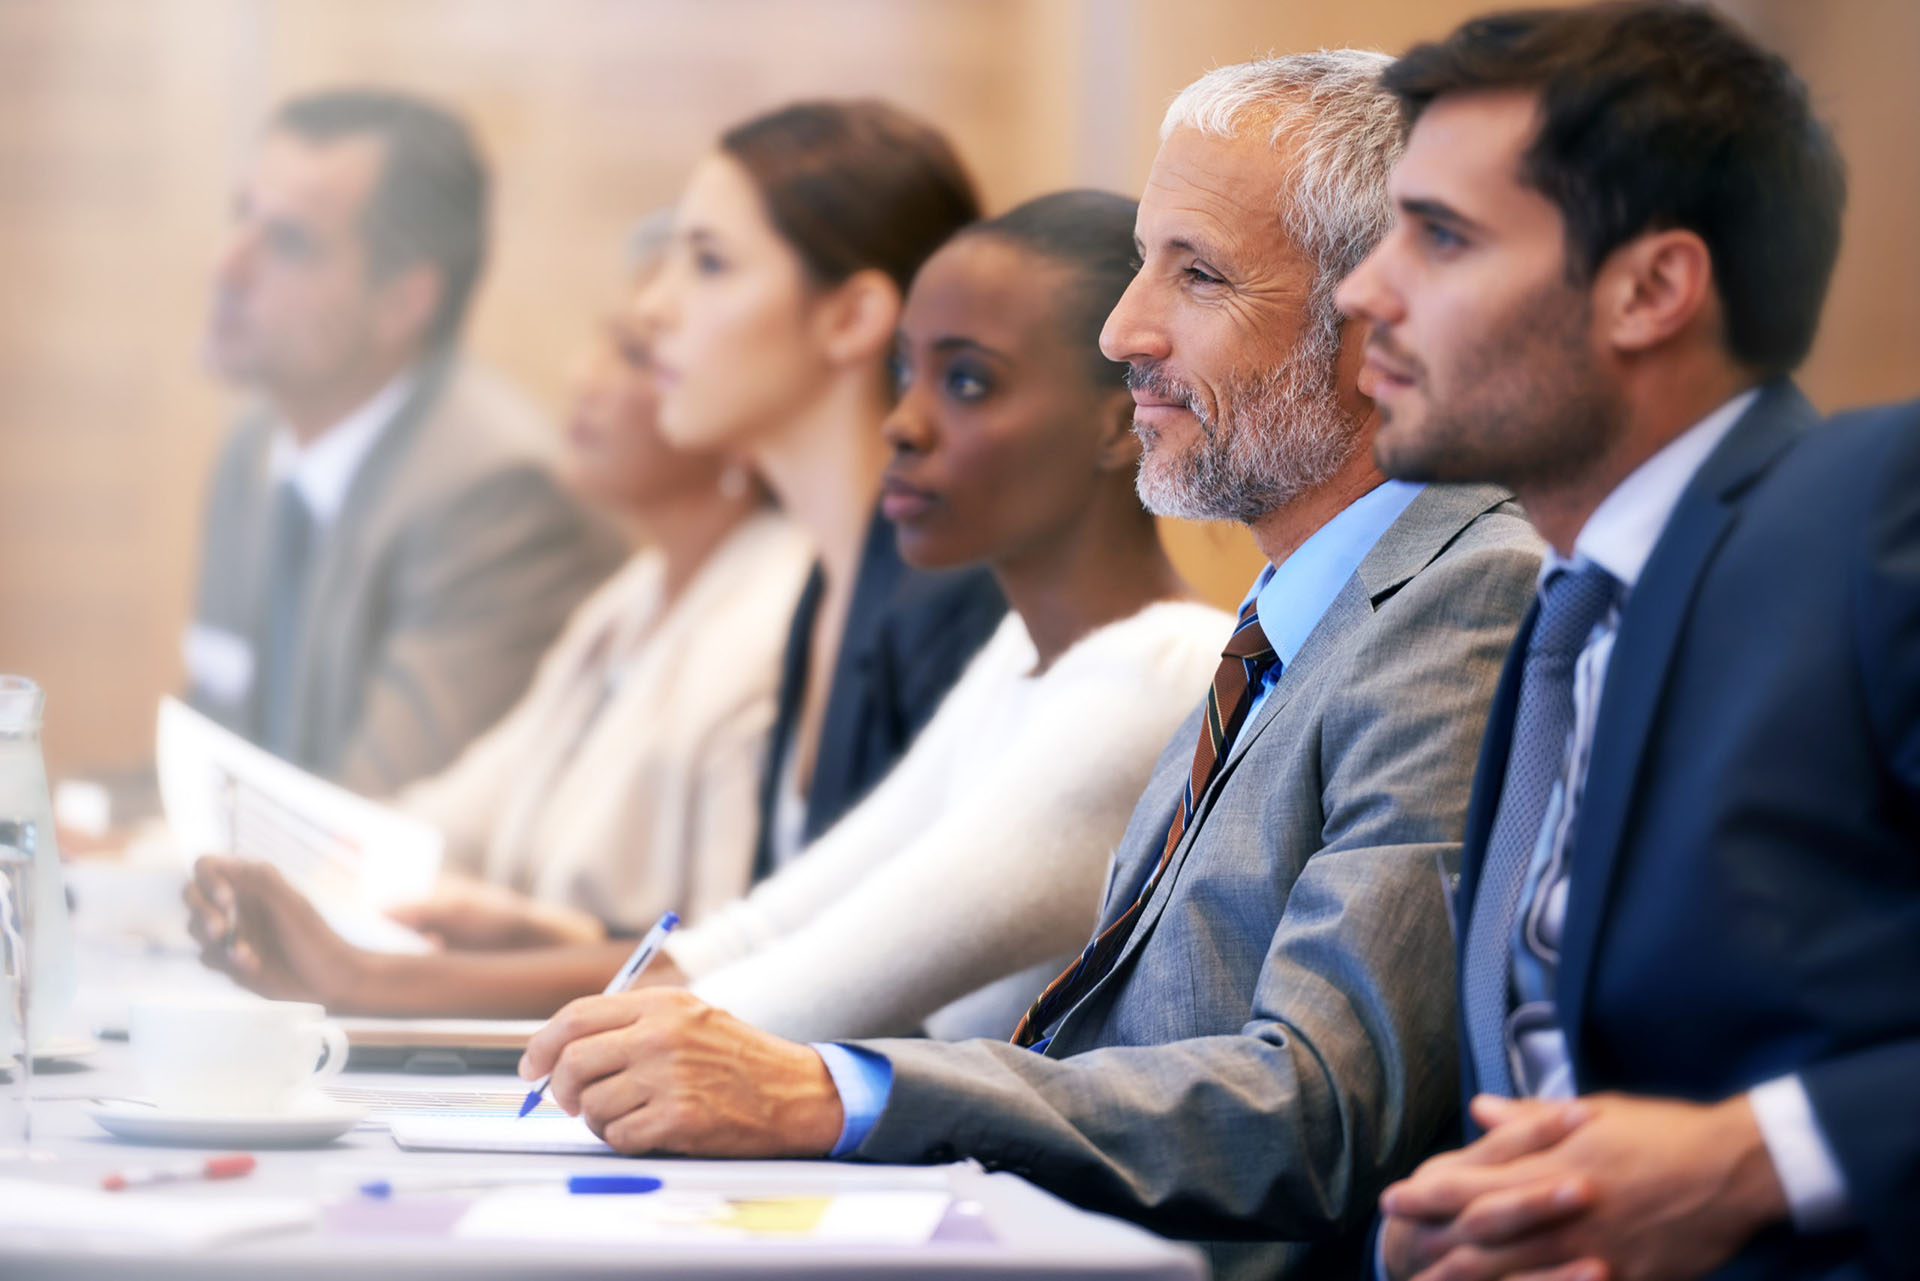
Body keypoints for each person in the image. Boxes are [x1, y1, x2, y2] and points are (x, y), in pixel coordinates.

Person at [514, 53, 1543, 1281]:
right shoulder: (1283, 614)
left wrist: (839, 1094)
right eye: (1143, 261)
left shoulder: (1471, 592)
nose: (1124, 331)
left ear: (1381, 316)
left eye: (1198, 274)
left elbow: (1314, 1107)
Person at [187, 100, 1004, 1018]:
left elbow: (832, 971)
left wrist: (382, 977)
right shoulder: (825, 584)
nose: (656, 315)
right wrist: (560, 942)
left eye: (709, 264)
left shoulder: (919, 599)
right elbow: (777, 940)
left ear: (852, 317)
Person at [1332, 4, 1908, 1278]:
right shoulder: (1563, 617)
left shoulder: (1872, 509)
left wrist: (1753, 1158)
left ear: (1650, 289)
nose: (1364, 291)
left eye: (1440, 236)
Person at [641, 191, 1230, 1043]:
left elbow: (799, 998)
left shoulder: (1160, 676)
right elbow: (761, 937)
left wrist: (542, 1037)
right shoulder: (1025, 651)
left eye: (966, 382)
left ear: (1117, 422)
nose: (902, 425)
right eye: (903, 374)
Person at [189, 88, 623, 791]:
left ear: (404, 301)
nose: (228, 266)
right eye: (242, 216)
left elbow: (372, 820)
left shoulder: (496, 494)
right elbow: (212, 764)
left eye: (289, 243)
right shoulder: (254, 449)